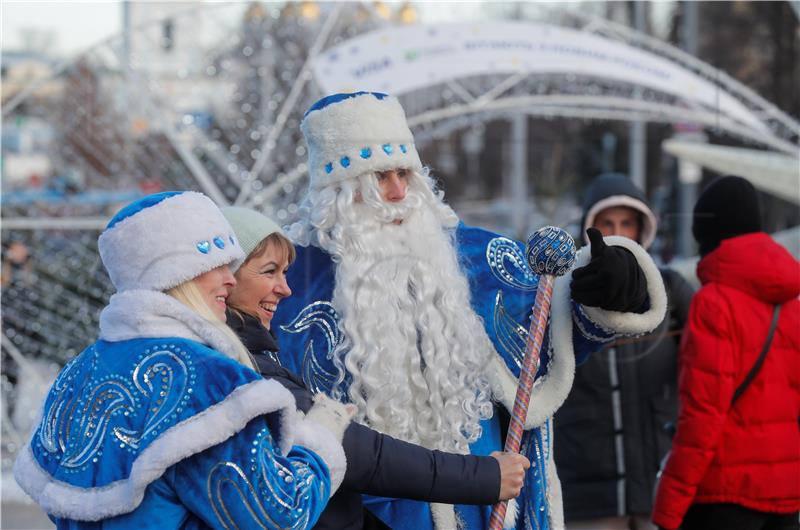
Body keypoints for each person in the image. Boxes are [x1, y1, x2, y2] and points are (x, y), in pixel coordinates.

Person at [275, 91, 668, 530]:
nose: (401, 192)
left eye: (406, 172)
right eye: (380, 177)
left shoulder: (477, 257)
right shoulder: (290, 287)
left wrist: (608, 288)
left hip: (492, 513)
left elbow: (551, 325)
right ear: (339, 195)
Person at [13, 191, 353, 529]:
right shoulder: (206, 380)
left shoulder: (79, 371)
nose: (230, 279)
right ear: (177, 274)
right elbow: (280, 515)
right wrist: (319, 438)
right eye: (216, 265)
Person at [221, 205, 532, 530]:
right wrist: (485, 477)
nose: (285, 288)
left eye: (284, 273)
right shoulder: (237, 365)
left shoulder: (254, 350)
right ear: (224, 277)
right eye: (269, 272)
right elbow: (363, 457)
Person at [652, 176, 800, 530]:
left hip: (724, 497)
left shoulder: (712, 303)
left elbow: (703, 416)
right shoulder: (791, 303)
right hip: (786, 497)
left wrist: (668, 511)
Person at [553, 173, 695, 530]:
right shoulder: (564, 292)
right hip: (586, 492)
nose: (618, 232)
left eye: (627, 223)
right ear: (589, 228)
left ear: (643, 228)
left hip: (658, 484)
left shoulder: (672, 290)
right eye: (606, 223)